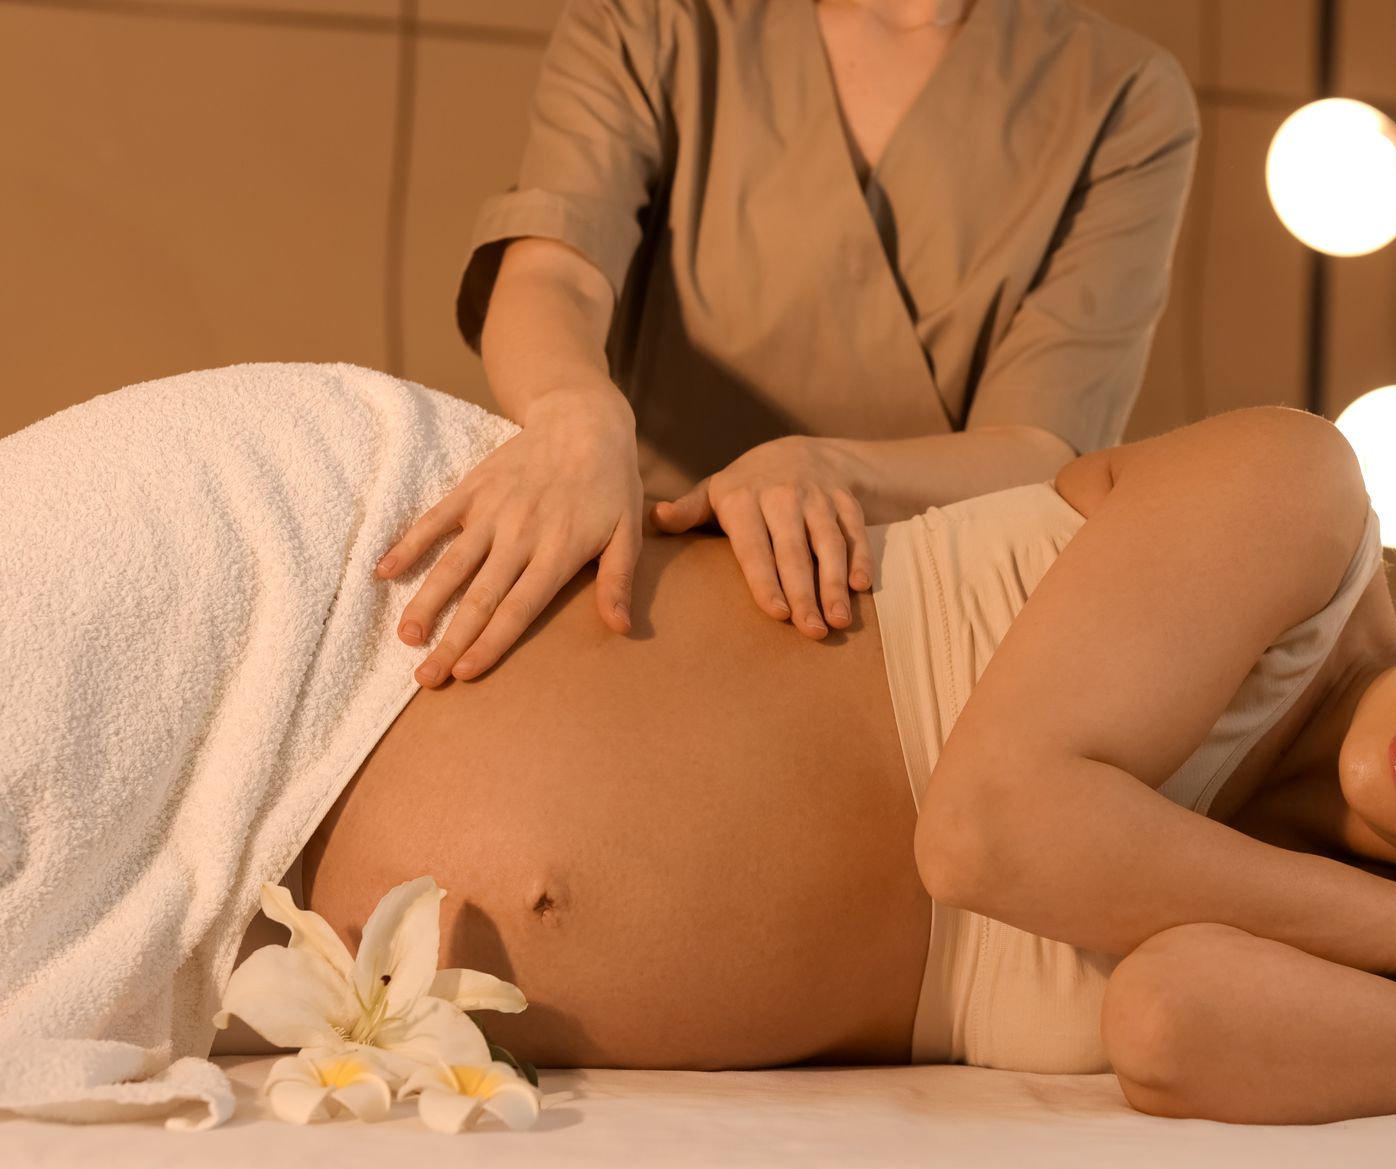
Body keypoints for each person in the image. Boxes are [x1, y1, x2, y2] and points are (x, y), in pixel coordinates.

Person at [200, 394, 1396, 1127]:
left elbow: (1174, 1028)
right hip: (330, 613)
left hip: (258, 943)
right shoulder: (1300, 507)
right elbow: (987, 832)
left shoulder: (1344, 937)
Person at [388, 0, 1200, 691]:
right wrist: (576, 415)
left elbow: (1042, 447)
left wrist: (830, 470)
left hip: (910, 620)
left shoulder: (1121, 95)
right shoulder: (661, 18)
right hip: (637, 574)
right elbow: (554, 271)